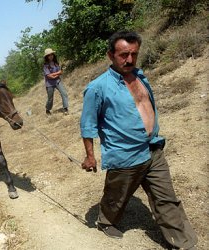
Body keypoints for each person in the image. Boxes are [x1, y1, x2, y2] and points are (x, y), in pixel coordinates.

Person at [80, 31, 198, 249]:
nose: (130, 60)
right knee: (116, 196)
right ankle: (106, 221)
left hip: (153, 149)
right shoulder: (98, 87)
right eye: (124, 54)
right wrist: (90, 156)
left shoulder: (140, 76)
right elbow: (88, 125)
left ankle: (183, 243)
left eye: (134, 54)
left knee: (166, 198)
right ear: (110, 55)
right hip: (124, 155)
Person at [43, 48, 69, 115]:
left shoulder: (56, 63)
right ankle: (48, 110)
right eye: (49, 55)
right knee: (50, 98)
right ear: (47, 57)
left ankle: (65, 108)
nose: (51, 56)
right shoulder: (45, 66)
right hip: (49, 84)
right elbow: (49, 76)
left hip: (57, 81)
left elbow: (61, 72)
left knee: (64, 93)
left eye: (51, 54)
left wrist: (54, 74)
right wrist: (57, 73)